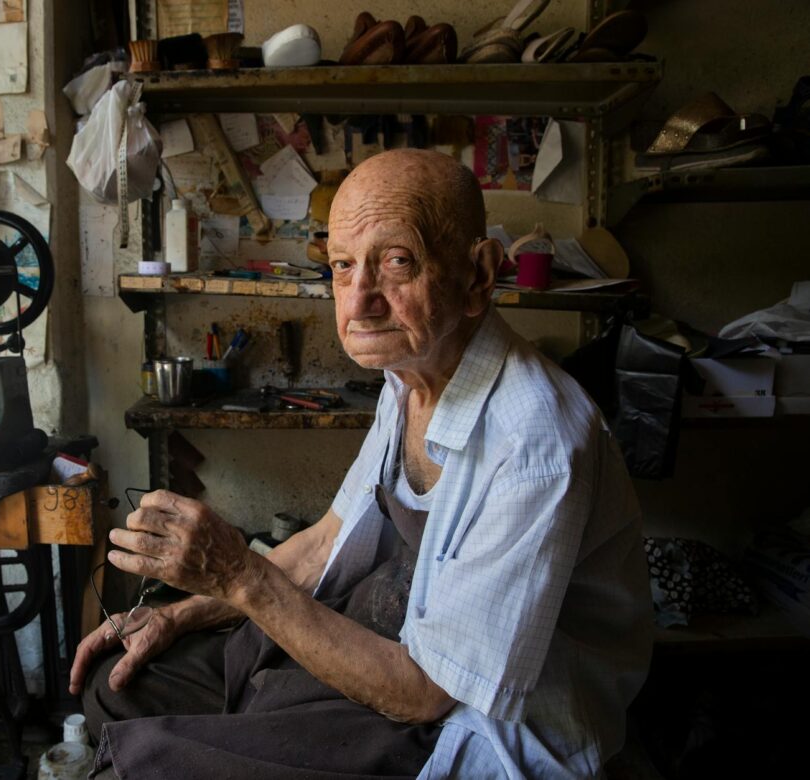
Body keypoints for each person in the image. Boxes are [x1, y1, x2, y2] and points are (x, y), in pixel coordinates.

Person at [70, 148, 653, 779]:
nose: (358, 302)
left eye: (396, 262)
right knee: (114, 689)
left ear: (479, 276)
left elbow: (428, 693)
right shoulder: (407, 378)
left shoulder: (536, 441)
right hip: (393, 644)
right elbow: (327, 540)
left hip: (467, 721)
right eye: (343, 267)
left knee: (137, 768)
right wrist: (177, 613)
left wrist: (239, 574)